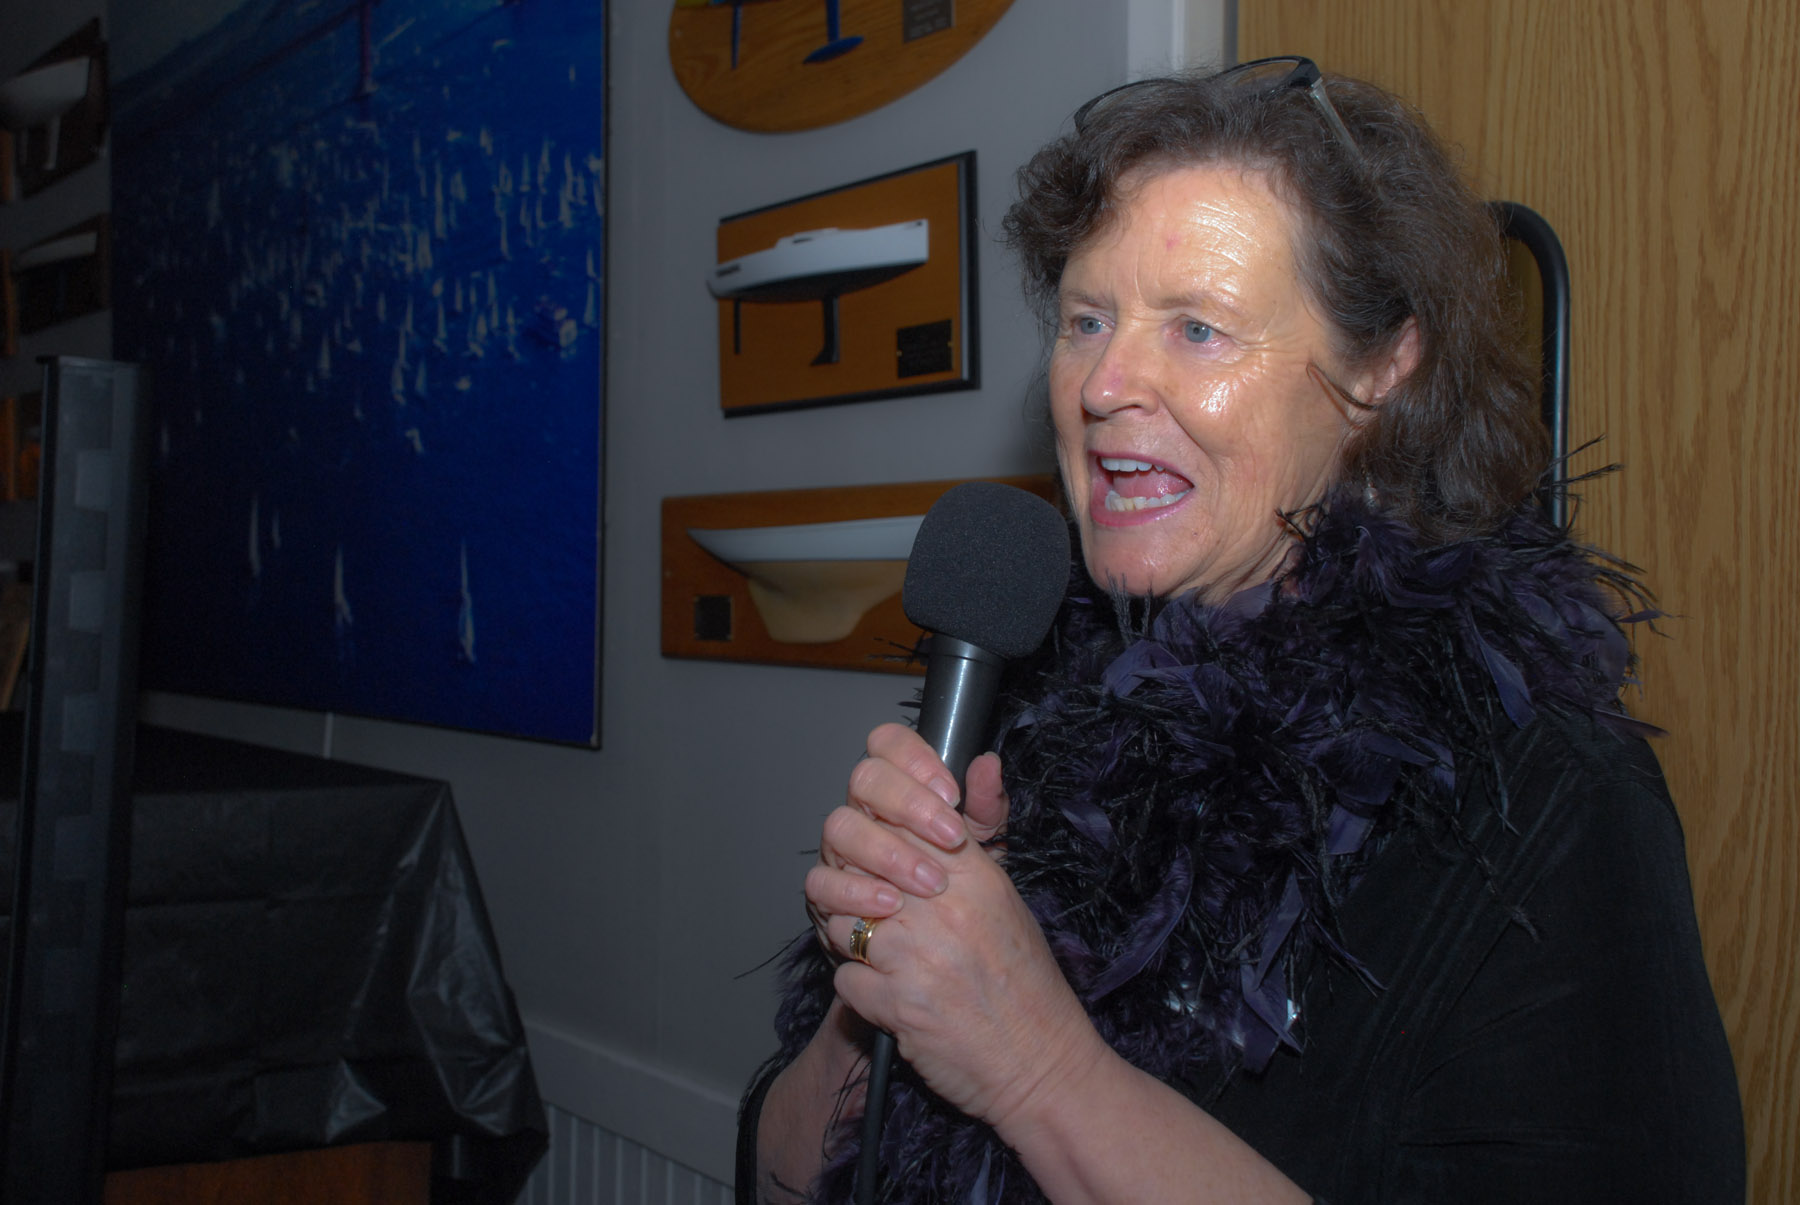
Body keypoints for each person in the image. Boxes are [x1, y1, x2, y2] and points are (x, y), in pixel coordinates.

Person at [737, 59, 1744, 1203]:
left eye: (1200, 328)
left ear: (1382, 369)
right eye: (1086, 320)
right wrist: (888, 977)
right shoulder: (1031, 712)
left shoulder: (1553, 801)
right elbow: (776, 1168)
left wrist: (1037, 1065)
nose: (1105, 382)